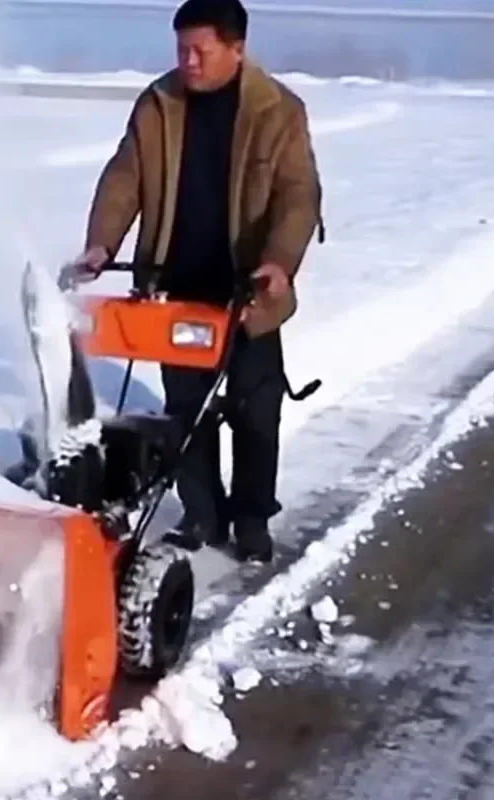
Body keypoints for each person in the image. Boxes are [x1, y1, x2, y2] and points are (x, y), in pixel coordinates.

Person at [69, 0, 323, 562]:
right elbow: (124, 178)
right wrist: (101, 245)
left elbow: (298, 196)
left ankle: (252, 516)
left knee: (256, 410)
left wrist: (279, 262)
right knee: (187, 410)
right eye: (180, 48)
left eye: (200, 51)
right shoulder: (159, 105)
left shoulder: (278, 111)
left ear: (237, 49)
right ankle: (203, 512)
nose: (188, 61)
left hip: (249, 291)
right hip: (178, 285)